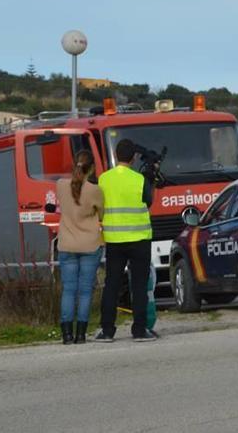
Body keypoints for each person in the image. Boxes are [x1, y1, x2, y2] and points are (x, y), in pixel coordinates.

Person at [96, 139, 157, 342]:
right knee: (139, 285)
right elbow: (149, 201)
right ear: (133, 157)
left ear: (116, 155)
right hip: (139, 238)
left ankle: (106, 330)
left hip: (114, 239)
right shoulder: (139, 179)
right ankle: (139, 330)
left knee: (111, 284)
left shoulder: (104, 179)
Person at [55, 150, 104, 344]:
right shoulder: (94, 190)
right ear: (91, 168)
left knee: (68, 289)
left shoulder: (60, 185)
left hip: (67, 244)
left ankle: (66, 334)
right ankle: (81, 334)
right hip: (90, 245)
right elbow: (101, 214)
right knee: (85, 290)